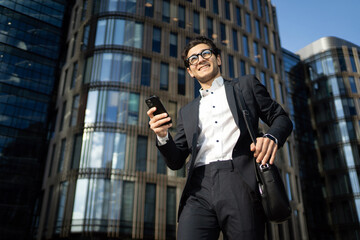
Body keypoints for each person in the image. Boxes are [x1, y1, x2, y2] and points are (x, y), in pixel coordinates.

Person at [147, 36, 292, 240]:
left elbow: (281, 118)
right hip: (198, 188)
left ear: (218, 59)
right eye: (193, 59)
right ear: (189, 71)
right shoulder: (186, 112)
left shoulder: (245, 86)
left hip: (240, 180)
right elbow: (176, 160)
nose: (200, 60)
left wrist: (271, 137)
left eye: (206, 54)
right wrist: (163, 136)